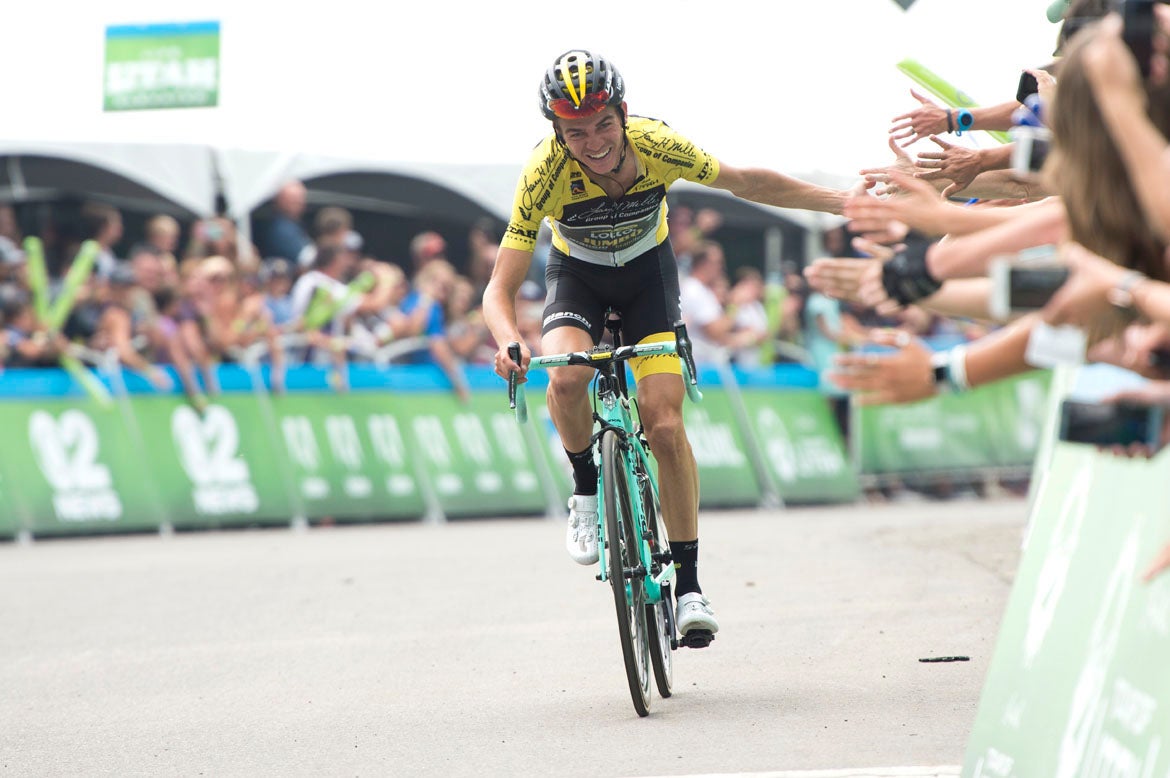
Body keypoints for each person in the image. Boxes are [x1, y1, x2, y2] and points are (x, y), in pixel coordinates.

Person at [482, 50, 855, 644]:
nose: (595, 142)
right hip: (576, 277)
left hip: (647, 279)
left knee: (662, 424)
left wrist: (843, 203)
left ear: (623, 113)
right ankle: (584, 486)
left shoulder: (658, 145)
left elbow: (747, 182)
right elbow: (499, 287)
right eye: (576, 132)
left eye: (604, 123)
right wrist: (507, 341)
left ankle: (689, 587)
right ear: (556, 131)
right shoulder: (543, 174)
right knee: (567, 378)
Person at [255, 180, 312, 266]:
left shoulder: (295, 225)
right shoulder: (280, 229)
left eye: (300, 199)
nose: (299, 203)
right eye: (293, 200)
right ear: (280, 200)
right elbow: (306, 258)